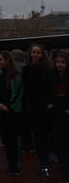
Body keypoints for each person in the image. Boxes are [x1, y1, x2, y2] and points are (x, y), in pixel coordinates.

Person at [22, 44, 53, 181]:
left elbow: (50, 88)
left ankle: (46, 164)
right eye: (33, 52)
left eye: (38, 52)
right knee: (37, 139)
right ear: (30, 53)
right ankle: (43, 165)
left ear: (42, 55)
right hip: (32, 109)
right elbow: (25, 90)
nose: (35, 54)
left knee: (45, 139)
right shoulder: (26, 69)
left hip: (45, 109)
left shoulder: (47, 69)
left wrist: (49, 103)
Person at [0, 50, 23, 176]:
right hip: (2, 110)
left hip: (14, 111)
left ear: (7, 60)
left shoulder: (16, 74)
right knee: (6, 139)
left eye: (0, 59)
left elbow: (19, 93)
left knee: (15, 140)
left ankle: (18, 165)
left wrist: (9, 106)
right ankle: (11, 164)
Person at [51, 51, 69, 183]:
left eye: (62, 62)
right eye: (58, 62)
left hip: (67, 115)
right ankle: (63, 166)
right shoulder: (53, 77)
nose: (60, 65)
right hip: (56, 115)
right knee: (59, 144)